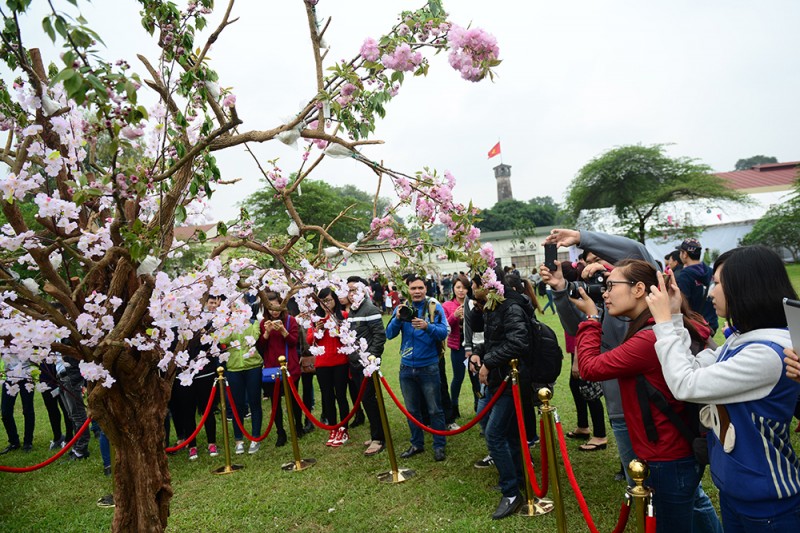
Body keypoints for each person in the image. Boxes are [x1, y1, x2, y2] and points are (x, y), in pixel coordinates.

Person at [647, 245, 800, 532]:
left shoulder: (768, 353)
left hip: (768, 502)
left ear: (747, 288)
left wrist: (665, 322)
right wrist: (676, 316)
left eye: (717, 283)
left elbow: (685, 385)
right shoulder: (742, 341)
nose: (710, 292)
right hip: (740, 490)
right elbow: (692, 368)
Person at [541, 228, 651, 485]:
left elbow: (636, 252)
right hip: (620, 411)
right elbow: (573, 328)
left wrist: (582, 239)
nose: (604, 290)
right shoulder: (607, 311)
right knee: (636, 487)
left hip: (653, 412)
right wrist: (560, 289)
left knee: (672, 493)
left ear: (638, 288)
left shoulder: (655, 319)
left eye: (611, 284)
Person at [470, 268, 535, 520]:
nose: (474, 290)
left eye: (476, 284)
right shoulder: (492, 305)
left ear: (488, 284)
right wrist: (479, 353)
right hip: (501, 379)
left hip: (512, 379)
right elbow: (493, 339)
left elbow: (519, 342)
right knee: (508, 434)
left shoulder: (511, 306)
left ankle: (511, 492)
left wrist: (488, 362)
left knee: (494, 434)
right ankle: (518, 479)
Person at [386, 273, 448, 462]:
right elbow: (389, 334)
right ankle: (417, 444)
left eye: (420, 288)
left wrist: (427, 326)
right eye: (413, 288)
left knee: (434, 409)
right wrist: (397, 318)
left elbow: (444, 331)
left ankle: (439, 445)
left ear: (426, 289)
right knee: (412, 410)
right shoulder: (403, 308)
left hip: (428, 366)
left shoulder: (433, 307)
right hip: (406, 368)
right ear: (408, 290)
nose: (417, 291)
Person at [560, 261, 607, 452]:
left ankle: (600, 435)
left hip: (583, 352)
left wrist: (578, 361)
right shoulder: (573, 295)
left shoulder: (581, 297)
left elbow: (584, 329)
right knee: (576, 387)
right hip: (576, 351)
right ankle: (583, 426)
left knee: (589, 391)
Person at [172, 295, 223, 461]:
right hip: (185, 375)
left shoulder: (206, 325)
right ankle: (192, 445)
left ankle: (211, 442)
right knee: (188, 411)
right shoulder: (175, 329)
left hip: (205, 373)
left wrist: (204, 334)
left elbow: (213, 348)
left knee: (207, 410)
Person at [345, 276, 387, 456]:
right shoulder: (353, 310)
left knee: (371, 399)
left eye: (354, 289)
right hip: (355, 363)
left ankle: (379, 438)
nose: (351, 293)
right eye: (349, 290)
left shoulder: (370, 308)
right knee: (366, 400)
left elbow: (379, 336)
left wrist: (371, 358)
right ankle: (376, 433)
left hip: (367, 364)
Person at [256, 292, 303, 447]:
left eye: (277, 306)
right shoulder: (263, 323)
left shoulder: (291, 321)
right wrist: (267, 332)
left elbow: (293, 342)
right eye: (270, 308)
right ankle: (280, 433)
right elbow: (261, 347)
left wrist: (283, 331)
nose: (274, 311)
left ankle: (298, 426)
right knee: (275, 402)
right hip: (271, 368)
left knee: (294, 400)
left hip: (290, 366)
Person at [308, 287, 351, 447]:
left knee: (341, 395)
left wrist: (338, 329)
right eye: (323, 301)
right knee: (327, 397)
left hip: (340, 361)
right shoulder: (315, 319)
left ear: (335, 300)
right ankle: (333, 427)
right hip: (322, 363)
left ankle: (344, 428)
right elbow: (309, 339)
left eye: (329, 300)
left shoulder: (343, 316)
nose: (327, 304)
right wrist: (317, 329)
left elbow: (347, 339)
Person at [225, 319, 263, 455]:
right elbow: (223, 340)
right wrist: (230, 326)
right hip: (234, 368)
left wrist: (245, 322)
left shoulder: (254, 323)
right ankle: (238, 440)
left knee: (254, 402)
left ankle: (255, 437)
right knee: (237, 405)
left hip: (253, 366)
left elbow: (255, 337)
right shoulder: (225, 325)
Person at [675, 238, 718, 335]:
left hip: (694, 326)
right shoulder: (711, 272)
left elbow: (682, 303)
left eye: (681, 252)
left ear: (685, 254)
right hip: (711, 324)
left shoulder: (684, 276)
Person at [442, 275, 470, 422]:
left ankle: (480, 407)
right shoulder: (447, 305)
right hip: (457, 347)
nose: (461, 291)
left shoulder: (472, 303)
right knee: (458, 378)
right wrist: (454, 316)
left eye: (464, 287)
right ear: (453, 288)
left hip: (473, 348)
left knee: (476, 379)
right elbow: (444, 327)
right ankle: (454, 407)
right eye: (458, 287)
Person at [0, 355, 35, 454]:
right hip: (10, 376)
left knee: (28, 410)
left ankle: (28, 442)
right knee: (6, 412)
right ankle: (14, 441)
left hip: (26, 375)